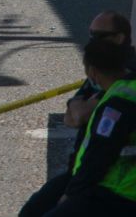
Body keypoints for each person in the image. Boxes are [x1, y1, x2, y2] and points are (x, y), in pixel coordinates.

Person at [20, 11, 136, 216]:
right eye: (91, 35)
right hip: (90, 177)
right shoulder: (108, 73)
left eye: (100, 36)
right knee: (32, 210)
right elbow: (71, 115)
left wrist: (73, 194)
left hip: (110, 188)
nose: (93, 40)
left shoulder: (120, 95)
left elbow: (97, 150)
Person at [42, 38, 136, 215]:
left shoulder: (118, 102)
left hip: (116, 191)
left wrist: (71, 193)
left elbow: (99, 154)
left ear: (92, 72)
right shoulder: (125, 88)